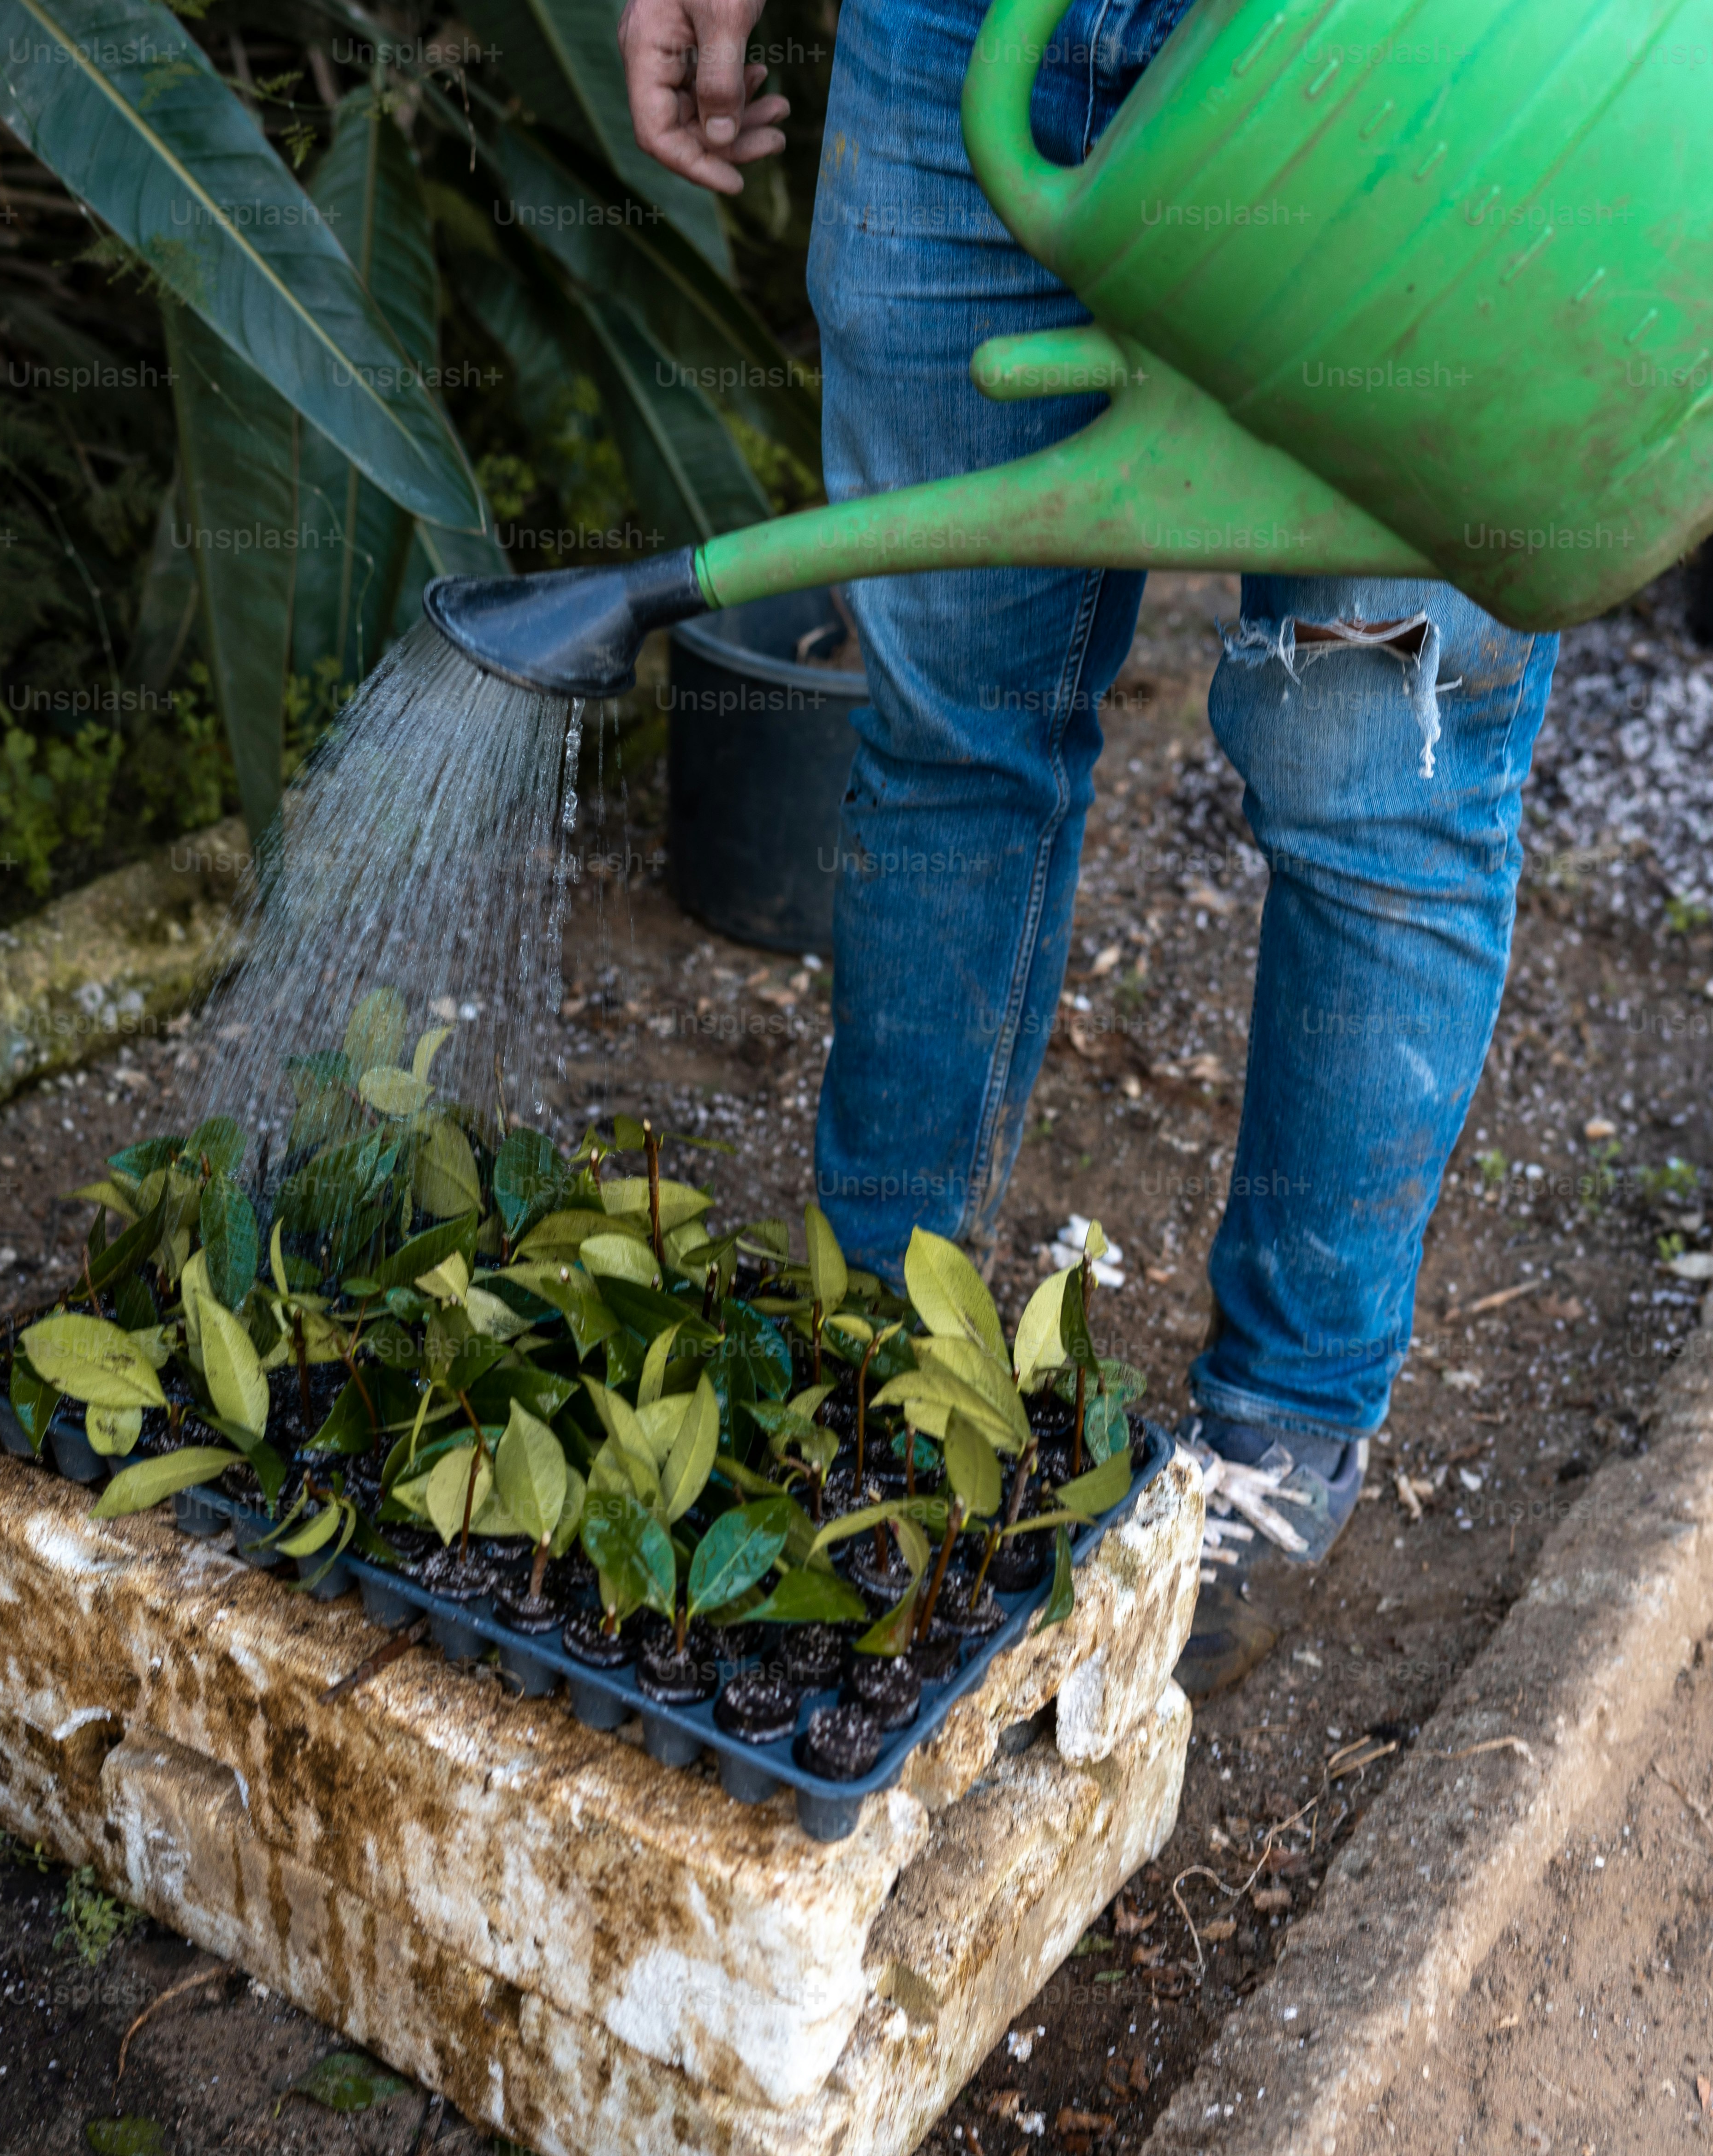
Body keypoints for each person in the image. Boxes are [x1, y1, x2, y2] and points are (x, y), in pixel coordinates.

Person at [619, 0, 1561, 1694]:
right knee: (947, 726)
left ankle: (1276, 1450)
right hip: (965, 42)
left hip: (1425, 71)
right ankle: (877, 1364)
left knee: (1377, 784)